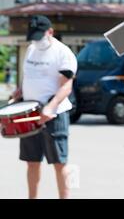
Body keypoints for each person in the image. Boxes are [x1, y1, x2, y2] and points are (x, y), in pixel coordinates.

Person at [10, 15, 77, 199]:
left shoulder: (62, 53)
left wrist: (50, 107)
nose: (36, 39)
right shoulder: (31, 49)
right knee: (31, 162)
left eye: (39, 35)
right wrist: (20, 90)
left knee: (59, 163)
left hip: (54, 115)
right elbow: (28, 75)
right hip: (30, 113)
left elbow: (67, 86)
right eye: (33, 36)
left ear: (50, 32)